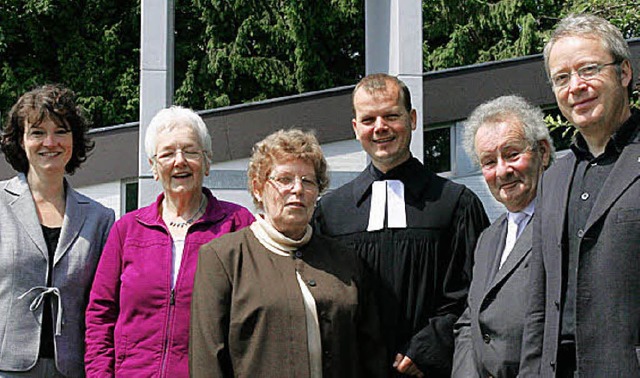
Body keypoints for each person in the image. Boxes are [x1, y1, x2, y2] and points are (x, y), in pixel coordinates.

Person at [312, 73, 489, 377]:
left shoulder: (454, 204)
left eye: (391, 116)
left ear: (412, 119)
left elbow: (475, 290)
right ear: (356, 128)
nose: (380, 127)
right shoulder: (330, 212)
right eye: (369, 119)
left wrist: (430, 346)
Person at [190, 129, 386, 377]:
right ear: (258, 188)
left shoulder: (346, 261)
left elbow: (371, 356)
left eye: (308, 181)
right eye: (284, 179)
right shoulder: (223, 259)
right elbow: (207, 361)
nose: (297, 189)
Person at [84, 106, 254, 377]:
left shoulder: (237, 224)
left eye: (190, 151)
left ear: (207, 161)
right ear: (153, 167)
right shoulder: (126, 230)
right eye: (167, 154)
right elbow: (100, 316)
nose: (179, 161)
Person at [519, 14, 640, 377]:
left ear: (624, 73)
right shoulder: (554, 178)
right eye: (562, 77)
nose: (576, 86)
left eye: (588, 69)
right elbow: (538, 305)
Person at [0, 84, 115, 377]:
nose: (50, 141)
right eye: (37, 132)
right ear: (21, 141)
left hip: (72, 367)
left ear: (74, 140)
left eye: (61, 131)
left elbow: (103, 304)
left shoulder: (100, 218)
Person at [452, 95, 554, 378]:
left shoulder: (563, 220)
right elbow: (471, 321)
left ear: (542, 152)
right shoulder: (488, 238)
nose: (502, 171)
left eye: (512, 154)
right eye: (488, 162)